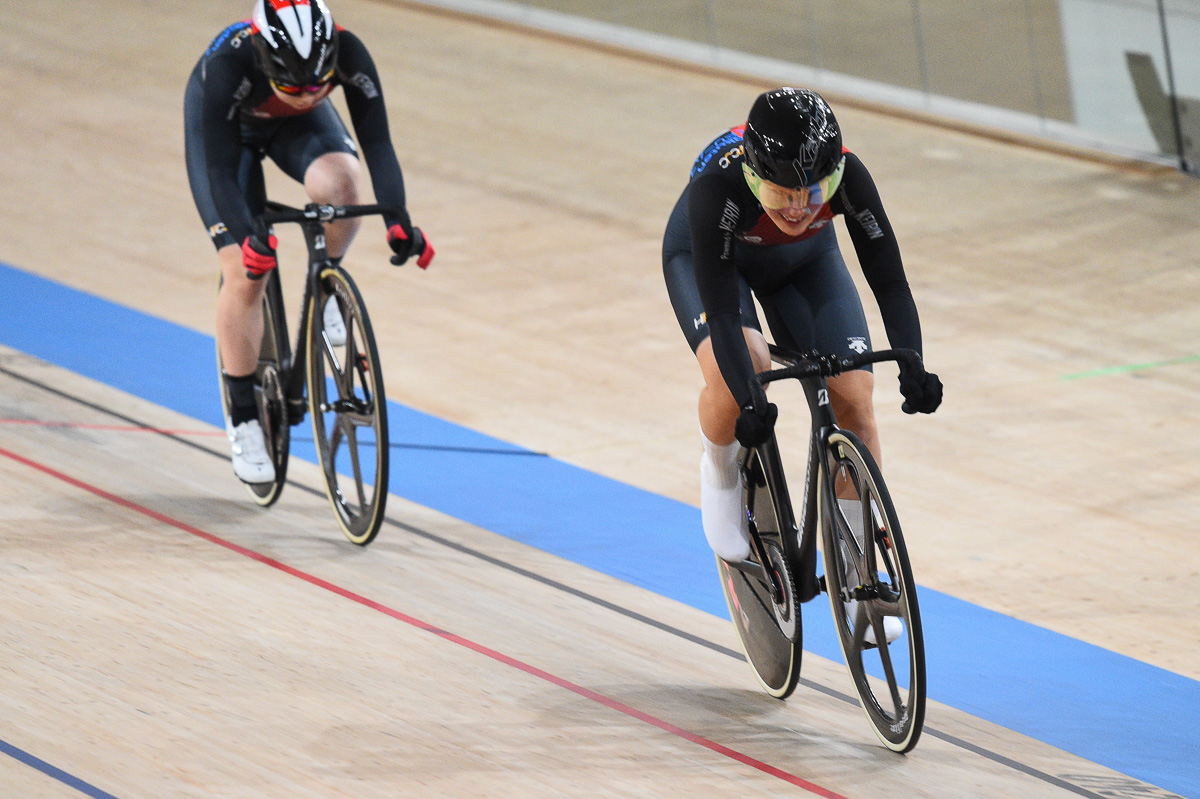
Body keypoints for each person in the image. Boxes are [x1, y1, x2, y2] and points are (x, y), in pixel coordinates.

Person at [662, 88, 942, 638]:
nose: (798, 206)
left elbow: (889, 278)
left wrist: (914, 360)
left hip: (805, 264)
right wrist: (747, 398)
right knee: (745, 359)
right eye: (781, 191)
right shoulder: (717, 190)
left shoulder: (849, 178)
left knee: (856, 397)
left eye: (814, 191)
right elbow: (721, 315)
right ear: (752, 174)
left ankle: (862, 574)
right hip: (715, 268)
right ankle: (719, 474)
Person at [185, 0, 434, 484]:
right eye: (292, 86)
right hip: (227, 136)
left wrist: (398, 219)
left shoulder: (350, 52)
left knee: (342, 188)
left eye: (317, 85)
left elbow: (378, 144)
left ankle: (326, 287)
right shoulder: (227, 66)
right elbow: (218, 171)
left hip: (291, 134)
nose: (305, 96)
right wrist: (246, 237)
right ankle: (243, 418)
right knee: (243, 271)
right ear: (263, 57)